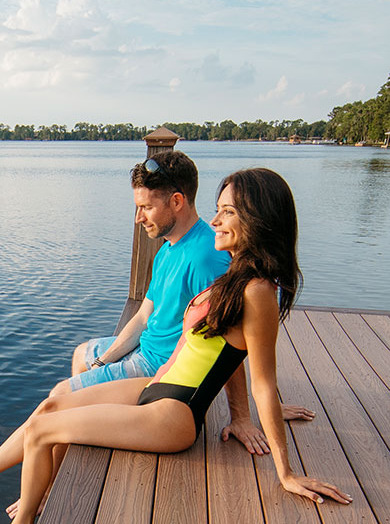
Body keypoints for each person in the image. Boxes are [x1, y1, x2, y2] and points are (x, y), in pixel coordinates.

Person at [0, 167, 350, 524]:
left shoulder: (257, 291)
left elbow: (262, 379)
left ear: (257, 221)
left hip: (175, 413)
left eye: (227, 212)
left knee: (42, 429)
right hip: (156, 387)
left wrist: (285, 470)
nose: (216, 221)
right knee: (50, 407)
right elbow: (199, 347)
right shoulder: (233, 274)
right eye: (217, 210)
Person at [62, 149, 309, 455]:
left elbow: (226, 339)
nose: (138, 218)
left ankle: (67, 464)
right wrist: (104, 361)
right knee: (82, 356)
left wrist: (243, 416)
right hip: (146, 348)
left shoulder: (207, 258)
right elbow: (142, 317)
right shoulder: (168, 249)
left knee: (59, 408)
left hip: (161, 369)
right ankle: (87, 436)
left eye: (146, 208)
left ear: (176, 202)